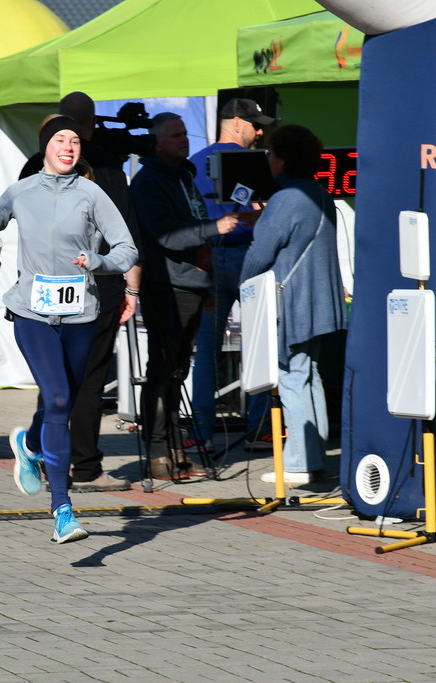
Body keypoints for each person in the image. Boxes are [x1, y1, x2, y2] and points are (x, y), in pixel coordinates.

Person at [0, 115, 137, 543]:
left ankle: (29, 444)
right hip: (31, 312)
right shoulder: (22, 191)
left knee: (61, 401)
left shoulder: (92, 194)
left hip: (81, 314)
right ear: (45, 146)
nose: (69, 146)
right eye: (60, 139)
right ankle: (63, 510)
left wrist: (99, 263)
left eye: (75, 141)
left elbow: (127, 248)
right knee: (61, 398)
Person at [18, 93, 143, 493]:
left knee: (54, 382)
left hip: (43, 286)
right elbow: (128, 234)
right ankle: (84, 466)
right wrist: (132, 289)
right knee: (87, 381)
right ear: (91, 124)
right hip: (96, 289)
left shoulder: (30, 168)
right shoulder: (106, 168)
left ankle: (43, 455)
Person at [129, 112, 238, 480]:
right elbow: (167, 236)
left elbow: (194, 233)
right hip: (166, 286)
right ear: (156, 142)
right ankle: (157, 453)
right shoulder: (148, 182)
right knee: (161, 371)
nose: (184, 140)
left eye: (184, 134)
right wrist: (214, 226)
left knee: (178, 370)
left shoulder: (186, 176)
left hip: (193, 283)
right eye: (175, 135)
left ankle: (176, 450)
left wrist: (207, 286)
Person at [239, 124, 348, 486]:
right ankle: (312, 459)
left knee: (292, 377)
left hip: (294, 302)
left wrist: (245, 286)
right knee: (308, 374)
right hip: (320, 302)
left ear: (283, 160)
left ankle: (299, 463)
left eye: (271, 153)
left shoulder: (286, 199)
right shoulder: (320, 193)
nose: (268, 160)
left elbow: (260, 253)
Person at [188, 98, 274, 454]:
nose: (260, 131)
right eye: (255, 124)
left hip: (209, 260)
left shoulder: (193, 163)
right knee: (259, 345)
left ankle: (201, 431)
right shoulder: (256, 163)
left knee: (207, 351)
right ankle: (259, 430)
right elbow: (267, 211)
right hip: (249, 260)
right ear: (236, 123)